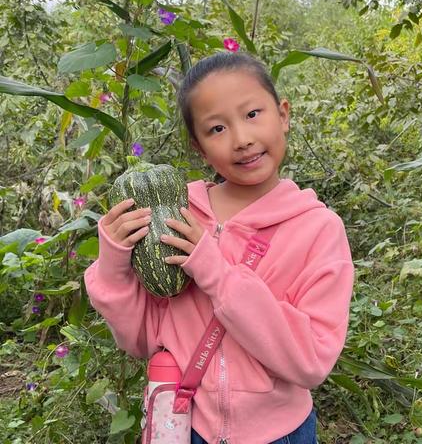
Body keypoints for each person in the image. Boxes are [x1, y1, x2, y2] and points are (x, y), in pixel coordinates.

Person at [85, 52, 354, 444]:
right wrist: (114, 265)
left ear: (283, 114)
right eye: (216, 129)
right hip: (187, 427)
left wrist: (216, 272)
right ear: (199, 148)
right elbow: (140, 340)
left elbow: (312, 361)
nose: (242, 139)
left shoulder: (318, 230)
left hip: (279, 433)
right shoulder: (175, 215)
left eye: (251, 115)